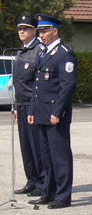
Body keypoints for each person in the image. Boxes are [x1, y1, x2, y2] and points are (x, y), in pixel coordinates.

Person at [27, 14, 77, 209]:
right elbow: (37, 86)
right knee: (45, 156)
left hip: (55, 114)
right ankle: (48, 192)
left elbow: (67, 87)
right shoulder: (43, 52)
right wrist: (32, 109)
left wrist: (57, 112)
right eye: (39, 31)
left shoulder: (65, 53)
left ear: (54, 31)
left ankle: (63, 196)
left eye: (44, 30)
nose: (41, 34)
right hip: (41, 111)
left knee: (60, 156)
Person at [13, 15, 46, 197]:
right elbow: (18, 82)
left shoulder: (39, 50)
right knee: (25, 145)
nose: (22, 32)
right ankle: (31, 180)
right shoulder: (20, 51)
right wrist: (16, 106)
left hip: (33, 104)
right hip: (22, 104)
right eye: (19, 29)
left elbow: (38, 83)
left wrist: (34, 106)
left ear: (34, 30)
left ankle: (42, 181)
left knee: (36, 145)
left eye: (25, 28)